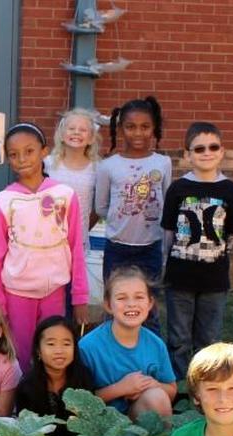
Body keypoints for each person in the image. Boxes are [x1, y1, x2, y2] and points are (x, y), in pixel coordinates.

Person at [0, 122, 90, 372]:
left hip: (54, 291)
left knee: (52, 353)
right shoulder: (3, 201)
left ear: (44, 151)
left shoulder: (65, 195)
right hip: (16, 293)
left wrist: (80, 297)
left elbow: (76, 247)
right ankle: (19, 406)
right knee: (20, 355)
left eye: (29, 151)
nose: (22, 159)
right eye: (14, 154)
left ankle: (49, 407)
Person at [161, 122, 233, 379]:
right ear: (187, 155)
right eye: (199, 149)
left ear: (222, 152)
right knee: (179, 336)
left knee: (209, 338)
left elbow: (231, 234)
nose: (206, 153)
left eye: (213, 147)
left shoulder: (229, 190)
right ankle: (181, 386)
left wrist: (214, 256)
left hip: (214, 278)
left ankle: (206, 383)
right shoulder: (178, 189)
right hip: (180, 276)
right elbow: (168, 233)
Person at [94, 96, 171, 334]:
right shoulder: (108, 166)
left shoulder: (163, 162)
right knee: (115, 306)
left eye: (145, 127)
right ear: (120, 129)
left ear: (154, 129)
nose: (138, 133)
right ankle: (112, 359)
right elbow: (101, 207)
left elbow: (167, 204)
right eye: (130, 127)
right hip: (117, 248)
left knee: (148, 307)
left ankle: (151, 361)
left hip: (150, 248)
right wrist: (124, 215)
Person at [77, 266, 176, 420]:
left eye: (139, 297)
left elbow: (171, 390)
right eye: (122, 298)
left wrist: (152, 384)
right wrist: (121, 388)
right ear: (108, 305)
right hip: (100, 426)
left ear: (150, 303)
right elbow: (78, 403)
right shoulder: (87, 347)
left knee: (156, 397)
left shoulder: (156, 344)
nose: (131, 304)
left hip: (139, 422)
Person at [45, 107, 106, 325]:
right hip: (49, 242)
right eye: (71, 128)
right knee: (53, 295)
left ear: (91, 137)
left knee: (75, 296)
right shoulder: (49, 164)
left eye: (83, 130)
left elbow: (97, 207)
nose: (76, 133)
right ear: (62, 133)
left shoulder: (97, 168)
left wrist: (79, 230)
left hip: (78, 243)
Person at [14, 316, 95, 436]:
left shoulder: (83, 379)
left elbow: (90, 423)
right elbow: (27, 433)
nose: (59, 350)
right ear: (38, 350)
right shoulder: (26, 387)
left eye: (66, 344)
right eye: (51, 344)